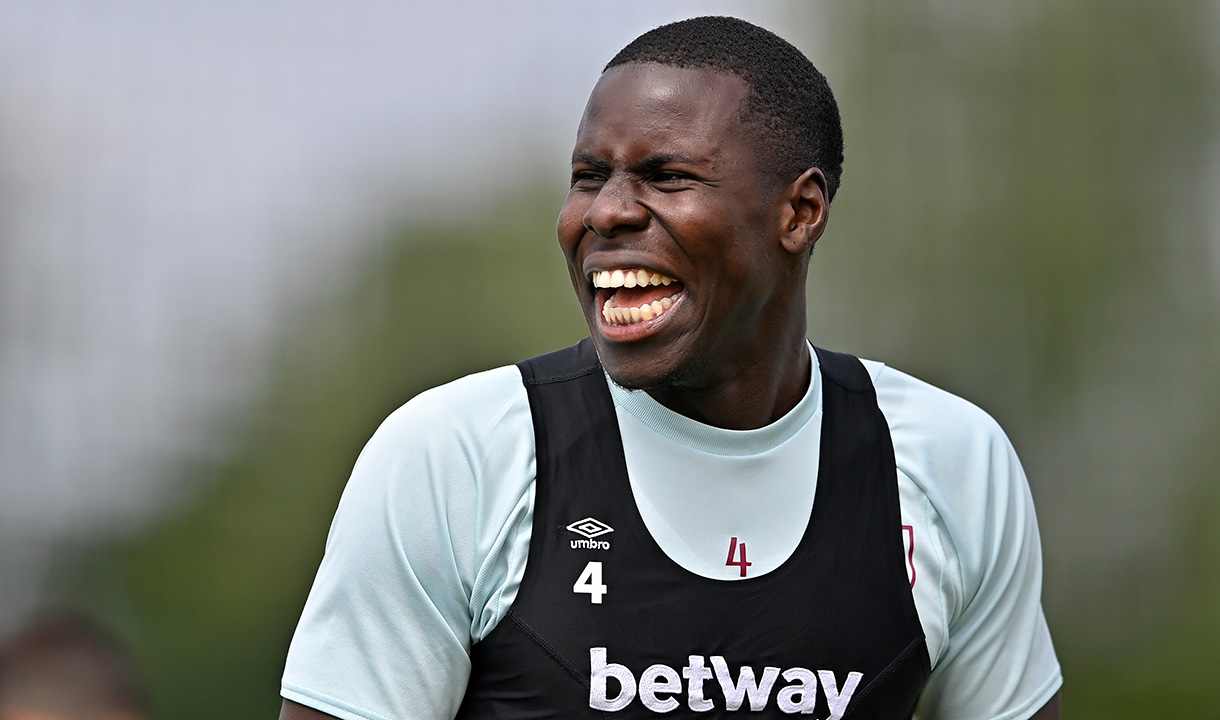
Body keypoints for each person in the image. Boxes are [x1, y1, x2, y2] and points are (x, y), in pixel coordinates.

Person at [279, 16, 1062, 720]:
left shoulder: (950, 462)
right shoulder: (456, 455)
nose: (606, 211)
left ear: (800, 212)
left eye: (667, 176)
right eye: (589, 176)